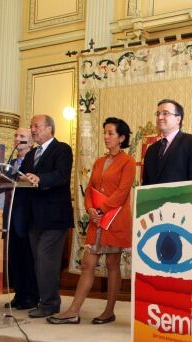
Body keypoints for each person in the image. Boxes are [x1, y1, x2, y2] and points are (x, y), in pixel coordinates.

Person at [47, 117, 135, 325]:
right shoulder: (98, 162)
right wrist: (89, 209)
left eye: (111, 133)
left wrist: (101, 209)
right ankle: (73, 310)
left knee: (113, 264)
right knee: (88, 264)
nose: (106, 137)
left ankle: (109, 311)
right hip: (97, 219)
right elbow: (89, 190)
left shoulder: (128, 161)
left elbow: (122, 192)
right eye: (105, 132)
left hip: (115, 219)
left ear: (122, 137)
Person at [21, 115, 73, 318]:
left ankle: (50, 304)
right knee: (38, 260)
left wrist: (40, 178)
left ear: (49, 128)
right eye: (31, 126)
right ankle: (44, 300)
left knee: (46, 259)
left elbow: (61, 175)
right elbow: (24, 178)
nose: (33, 130)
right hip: (34, 216)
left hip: (54, 216)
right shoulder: (31, 154)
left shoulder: (62, 149)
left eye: (37, 126)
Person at [3, 127, 38, 310]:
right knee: (14, 258)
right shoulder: (10, 163)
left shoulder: (34, 161)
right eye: (16, 136)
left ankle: (31, 296)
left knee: (27, 258)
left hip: (26, 216)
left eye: (22, 136)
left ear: (31, 142)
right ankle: (19, 294)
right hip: (10, 215)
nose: (18, 139)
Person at [141, 98, 192, 185]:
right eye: (158, 114)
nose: (160, 117)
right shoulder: (151, 149)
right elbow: (146, 185)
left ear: (178, 119)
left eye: (165, 113)